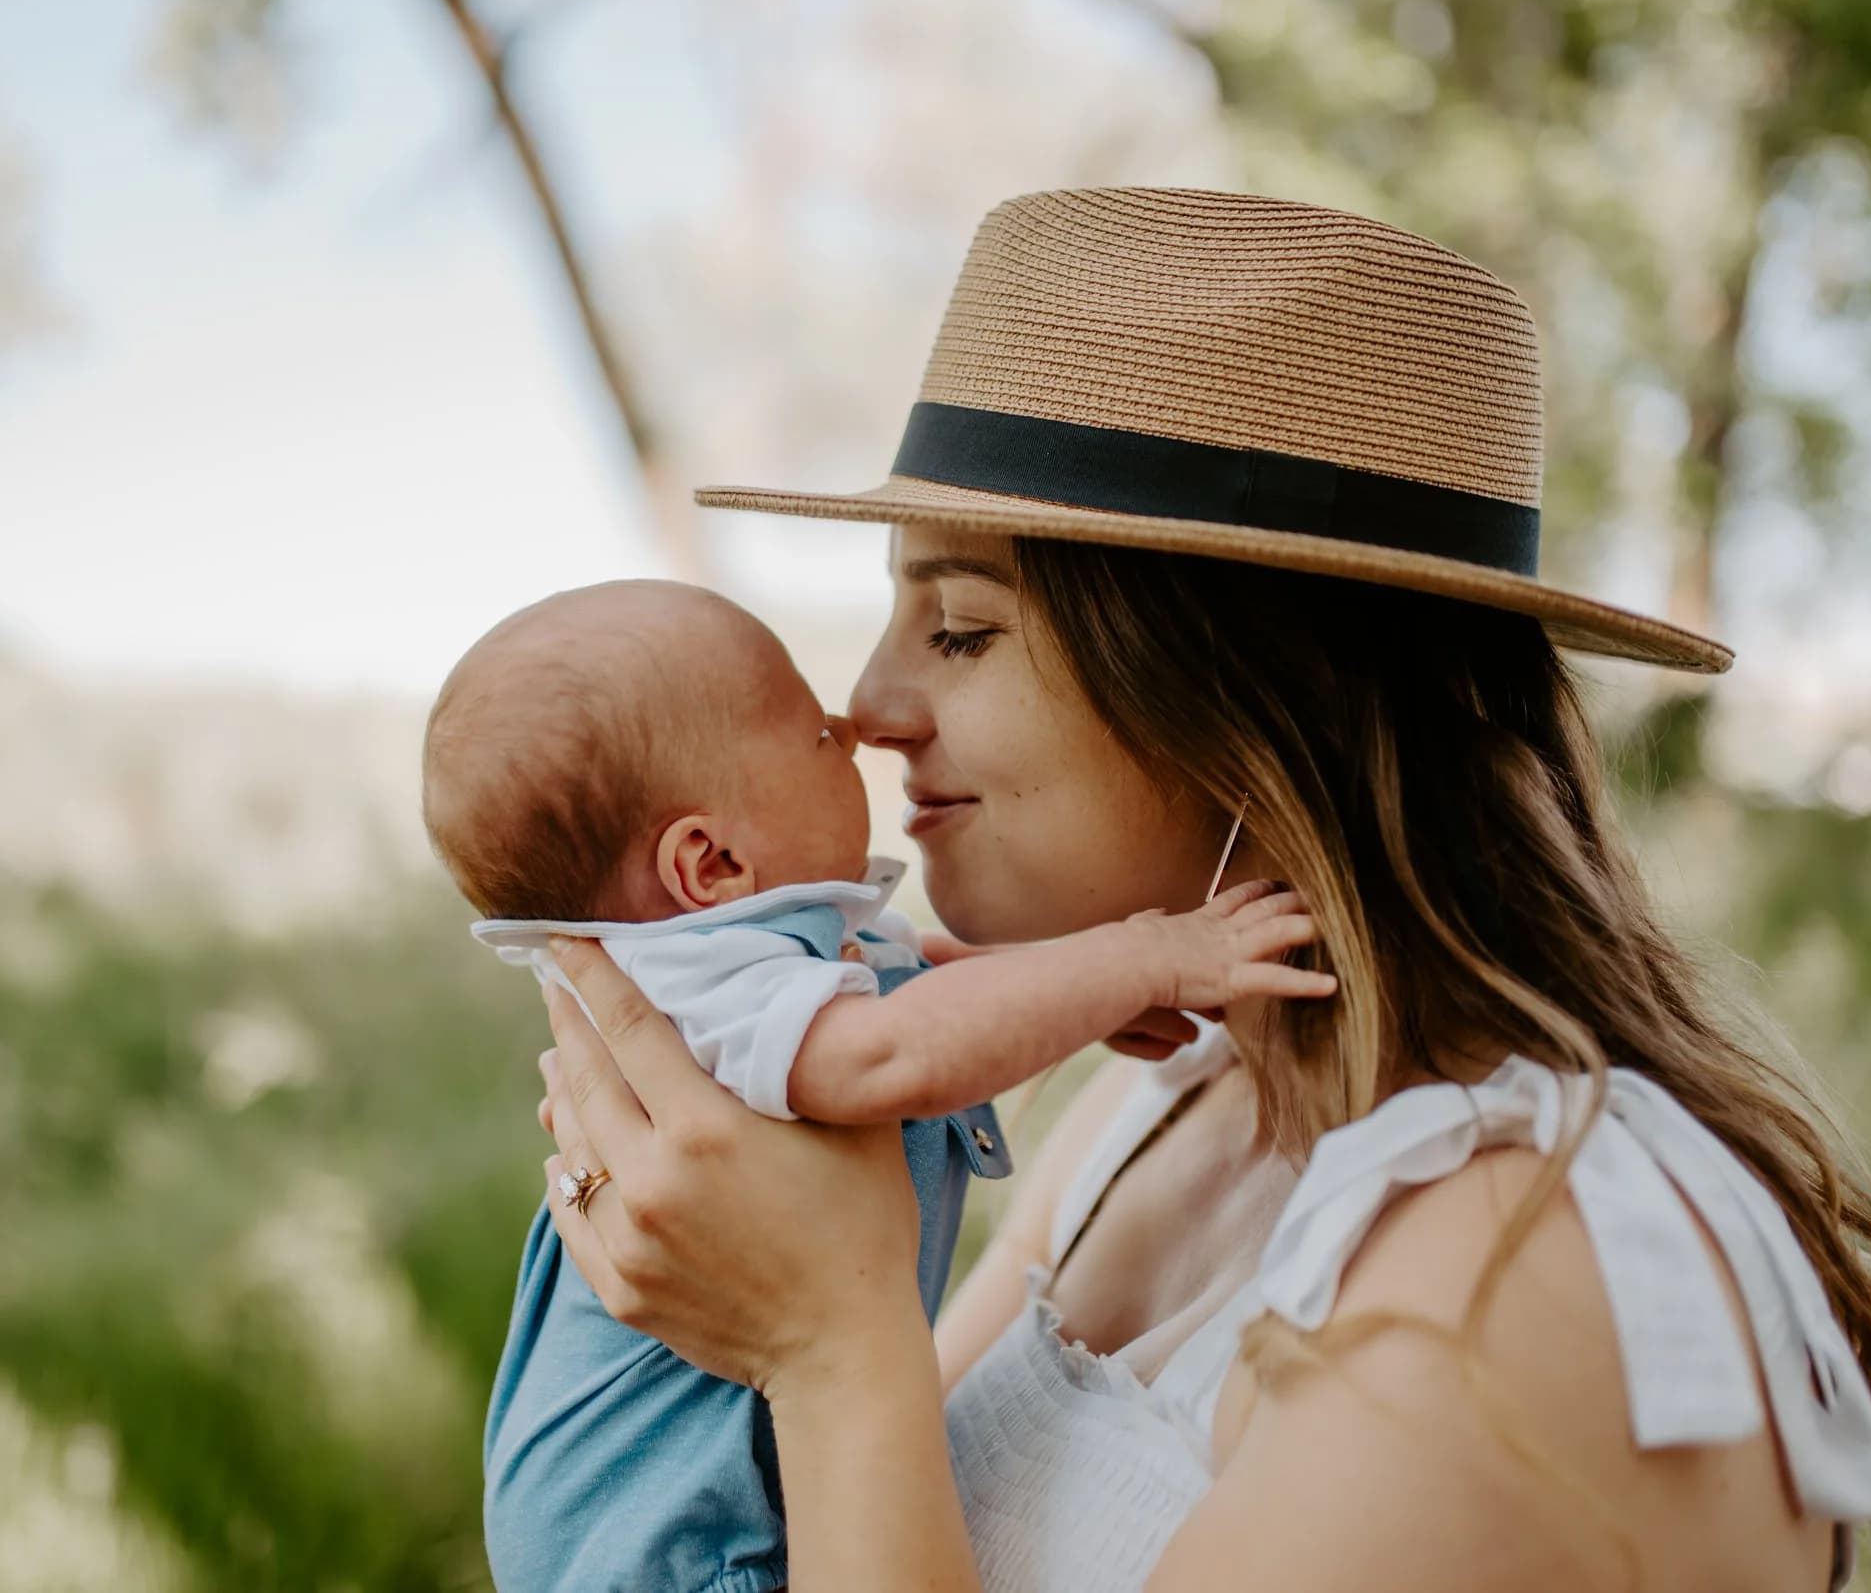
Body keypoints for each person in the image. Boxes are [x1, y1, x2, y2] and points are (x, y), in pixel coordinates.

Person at [519, 188, 1871, 1592]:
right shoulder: (1157, 1106)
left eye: (961, 628)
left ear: (1256, 698)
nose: (870, 706)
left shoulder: (1526, 1275)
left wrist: (824, 1345)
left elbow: (858, 1404)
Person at [421, 576, 1336, 1593]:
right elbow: (887, 1051)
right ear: (708, 861)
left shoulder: (739, 960)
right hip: (675, 1543)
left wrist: (1069, 995)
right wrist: (1145, 957)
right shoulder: (703, 976)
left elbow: (920, 995)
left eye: (963, 631)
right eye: (814, 733)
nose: (853, 724)